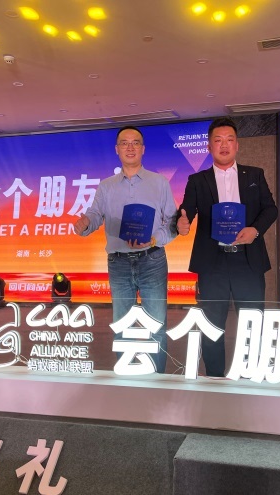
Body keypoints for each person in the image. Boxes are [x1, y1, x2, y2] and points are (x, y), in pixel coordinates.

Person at [177, 117, 278, 377]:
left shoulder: (254, 175)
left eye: (229, 140)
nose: (224, 145)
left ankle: (250, 376)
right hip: (213, 263)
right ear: (209, 147)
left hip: (248, 260)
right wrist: (182, 221)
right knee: (212, 325)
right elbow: (187, 210)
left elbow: (270, 209)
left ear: (237, 145)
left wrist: (255, 230)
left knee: (253, 322)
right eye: (218, 140)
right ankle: (214, 379)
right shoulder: (197, 180)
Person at [74, 125, 177, 373]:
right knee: (121, 326)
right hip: (118, 262)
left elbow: (172, 223)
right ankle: (126, 381)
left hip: (152, 260)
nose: (130, 147)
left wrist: (154, 239)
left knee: (156, 326)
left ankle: (157, 380)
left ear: (143, 149)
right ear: (117, 149)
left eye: (135, 142)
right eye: (124, 143)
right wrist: (85, 224)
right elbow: (95, 214)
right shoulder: (106, 186)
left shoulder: (160, 182)